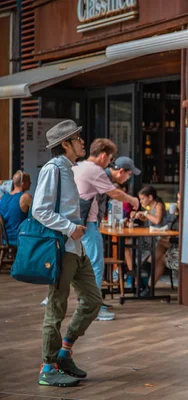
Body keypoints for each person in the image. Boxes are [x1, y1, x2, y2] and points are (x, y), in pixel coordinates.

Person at [33, 120, 102, 387]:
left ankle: (64, 351)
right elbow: (40, 210)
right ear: (65, 144)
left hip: (76, 249)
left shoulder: (68, 168)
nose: (83, 142)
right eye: (78, 138)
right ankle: (47, 368)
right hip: (63, 247)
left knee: (93, 301)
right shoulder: (53, 169)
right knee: (56, 308)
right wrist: (70, 227)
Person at [72, 139, 140, 322]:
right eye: (109, 158)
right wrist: (133, 200)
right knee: (95, 265)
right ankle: (92, 307)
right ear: (103, 156)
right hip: (88, 225)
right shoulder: (95, 170)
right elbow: (115, 193)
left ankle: (87, 302)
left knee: (76, 263)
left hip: (77, 223)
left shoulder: (78, 167)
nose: (109, 162)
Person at [130, 185, 167, 296]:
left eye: (142, 198)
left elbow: (157, 220)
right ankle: (141, 276)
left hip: (162, 239)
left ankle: (142, 272)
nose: (141, 201)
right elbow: (148, 219)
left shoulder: (158, 205)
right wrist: (139, 216)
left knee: (157, 251)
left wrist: (145, 214)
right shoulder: (150, 208)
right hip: (152, 240)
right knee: (129, 246)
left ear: (150, 197)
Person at [0, 170, 32, 246]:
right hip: (20, 238)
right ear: (23, 183)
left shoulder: (4, 197)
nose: (30, 184)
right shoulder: (25, 197)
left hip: (5, 239)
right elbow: (37, 214)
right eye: (29, 182)